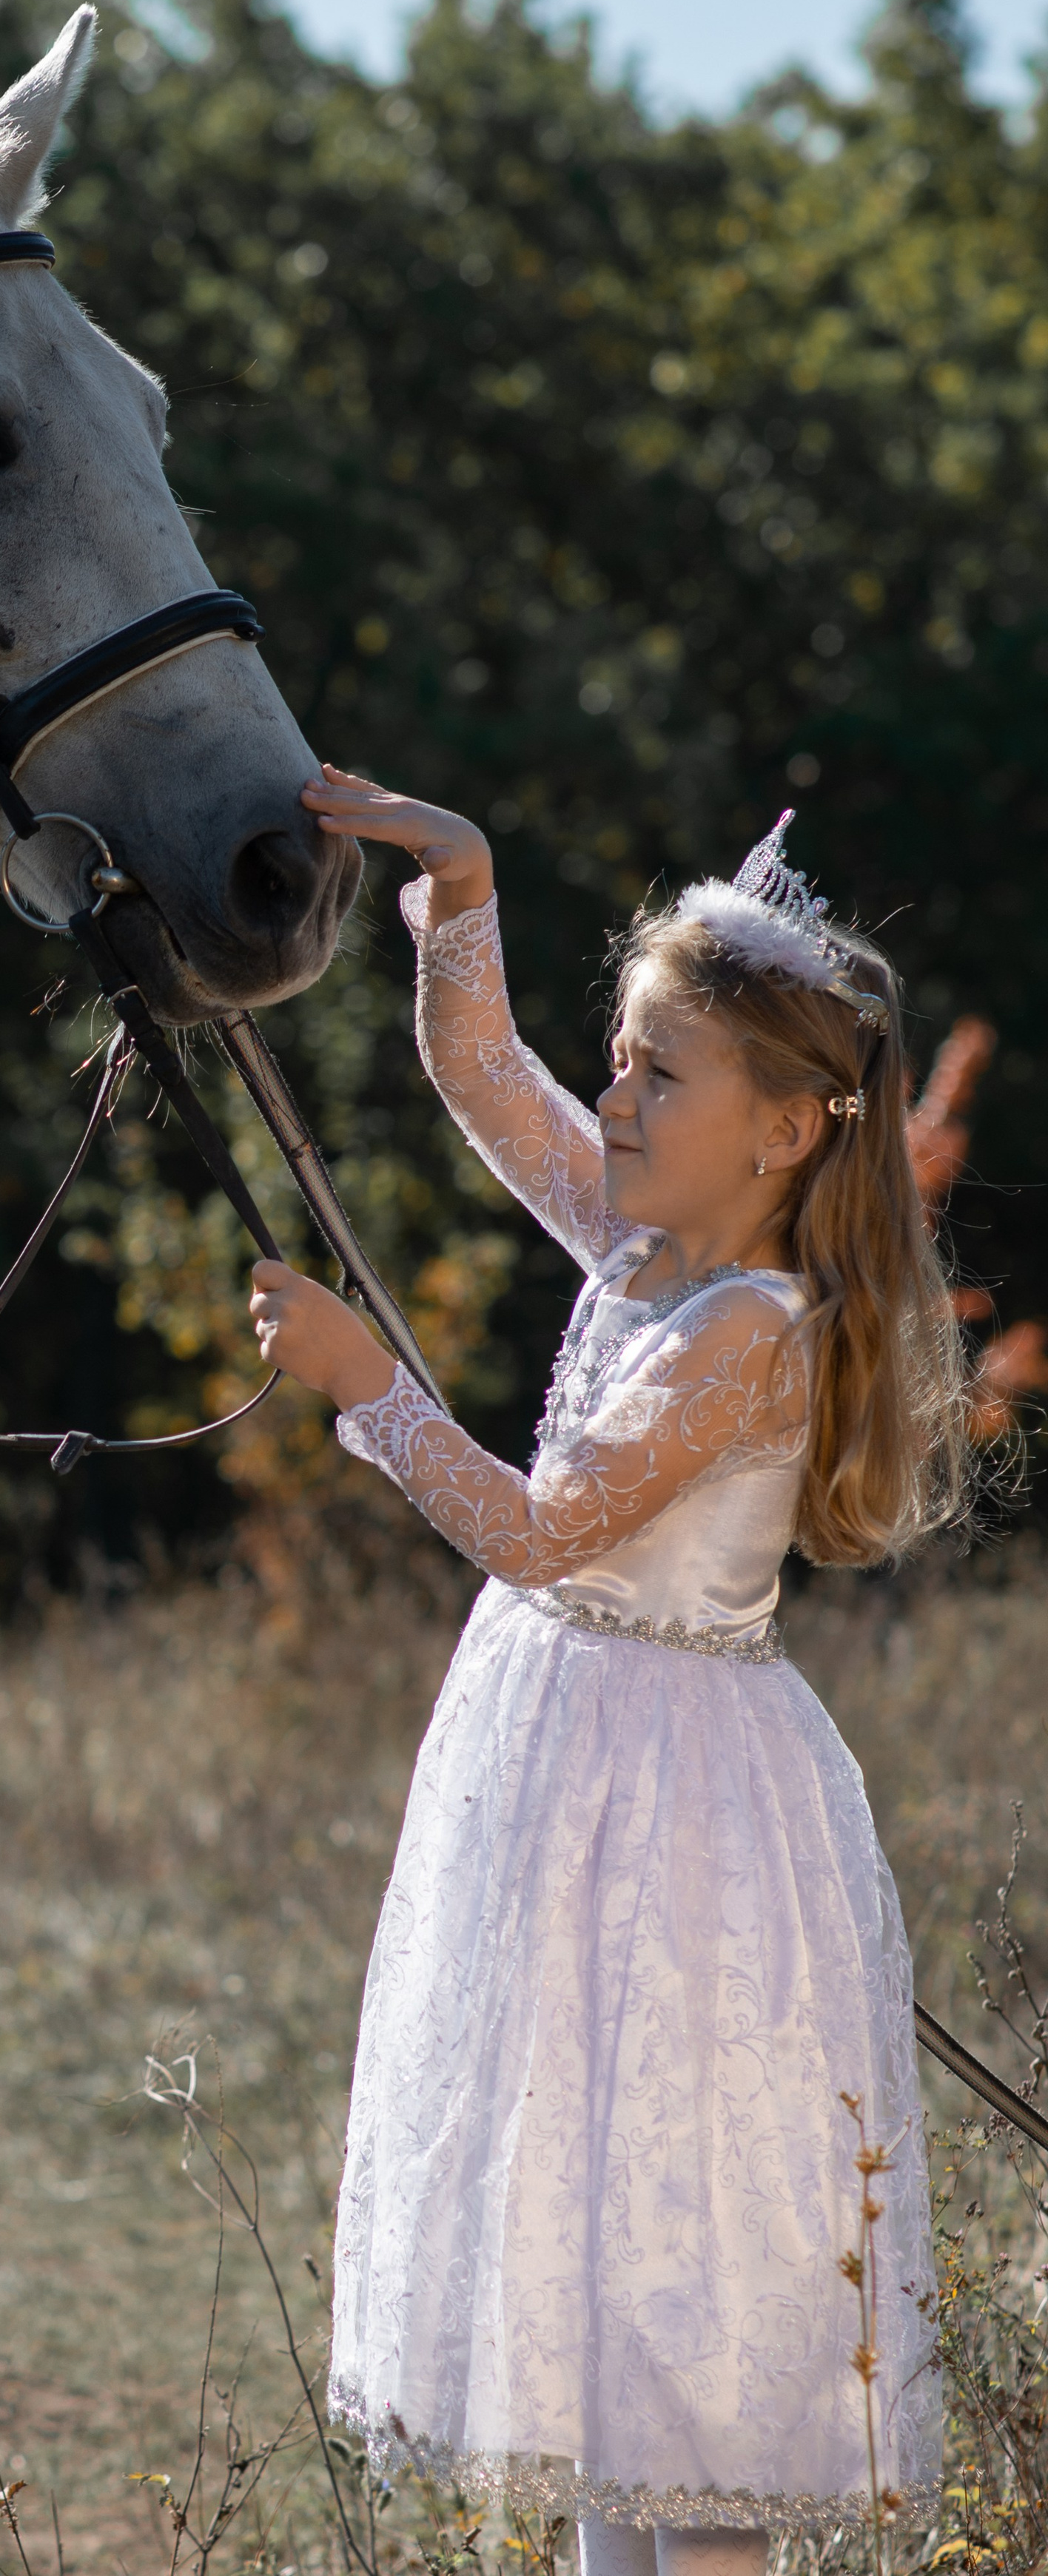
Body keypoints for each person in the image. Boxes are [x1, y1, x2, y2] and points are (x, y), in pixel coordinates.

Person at [249, 771, 967, 2576]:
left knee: (682, 2243)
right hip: (564, 1774)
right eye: (624, 1060)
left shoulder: (748, 1326)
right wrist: (463, 888)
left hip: (679, 1806)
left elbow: (538, 1529)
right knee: (576, 2215)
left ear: (787, 1128)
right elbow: (483, 1078)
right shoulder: (644, 1237)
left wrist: (369, 1388)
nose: (617, 1098)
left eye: (660, 1074)